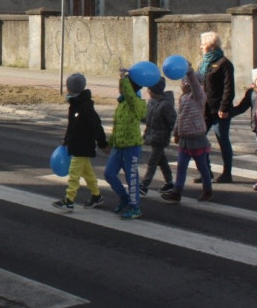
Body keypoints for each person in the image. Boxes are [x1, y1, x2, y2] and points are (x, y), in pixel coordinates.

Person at [51, 73, 109, 210]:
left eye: (67, 86)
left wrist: (103, 144)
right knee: (87, 173)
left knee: (74, 173)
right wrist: (66, 139)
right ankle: (97, 196)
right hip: (76, 144)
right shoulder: (75, 104)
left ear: (72, 89)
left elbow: (96, 126)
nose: (66, 89)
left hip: (83, 145)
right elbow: (71, 125)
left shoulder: (85, 106)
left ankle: (69, 200)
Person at [161, 69, 214, 204]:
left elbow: (196, 86)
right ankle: (176, 192)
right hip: (184, 139)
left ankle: (208, 190)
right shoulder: (183, 98)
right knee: (181, 167)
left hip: (197, 138)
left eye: (184, 82)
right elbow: (180, 117)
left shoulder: (198, 96)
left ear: (189, 84)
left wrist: (190, 73)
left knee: (202, 167)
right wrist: (176, 132)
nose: (181, 85)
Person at [102, 69, 146, 219]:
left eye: (122, 85)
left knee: (131, 177)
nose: (119, 87)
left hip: (131, 147)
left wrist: (124, 78)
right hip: (119, 146)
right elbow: (116, 126)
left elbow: (130, 95)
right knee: (109, 174)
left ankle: (135, 207)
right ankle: (124, 197)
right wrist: (110, 143)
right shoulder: (121, 104)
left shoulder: (137, 103)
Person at [199, 31, 236, 183]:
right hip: (205, 109)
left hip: (219, 110)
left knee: (222, 140)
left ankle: (227, 173)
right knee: (199, 139)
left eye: (203, 44)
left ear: (211, 46)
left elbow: (229, 89)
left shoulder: (224, 63)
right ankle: (206, 171)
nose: (200, 47)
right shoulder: (204, 63)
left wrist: (224, 108)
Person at [139, 77, 177, 196]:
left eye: (149, 89)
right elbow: (147, 118)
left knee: (153, 161)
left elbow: (172, 121)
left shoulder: (166, 105)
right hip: (152, 135)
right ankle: (169, 182)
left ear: (155, 90)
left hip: (161, 137)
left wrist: (176, 133)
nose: (148, 91)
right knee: (162, 160)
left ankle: (145, 185)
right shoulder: (151, 102)